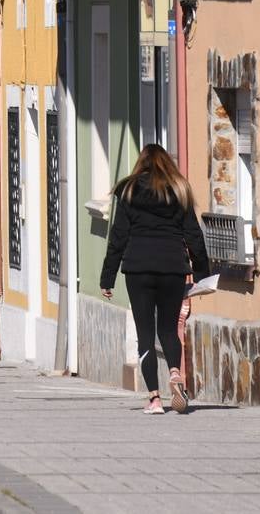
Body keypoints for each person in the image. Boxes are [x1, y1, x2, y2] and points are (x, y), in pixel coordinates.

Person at [99, 144, 211, 414]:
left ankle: (154, 399)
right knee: (170, 329)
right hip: (173, 266)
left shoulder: (128, 189)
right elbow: (193, 234)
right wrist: (202, 274)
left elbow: (119, 237)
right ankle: (175, 372)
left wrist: (108, 277)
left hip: (138, 268)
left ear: (141, 163)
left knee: (145, 333)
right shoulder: (179, 190)